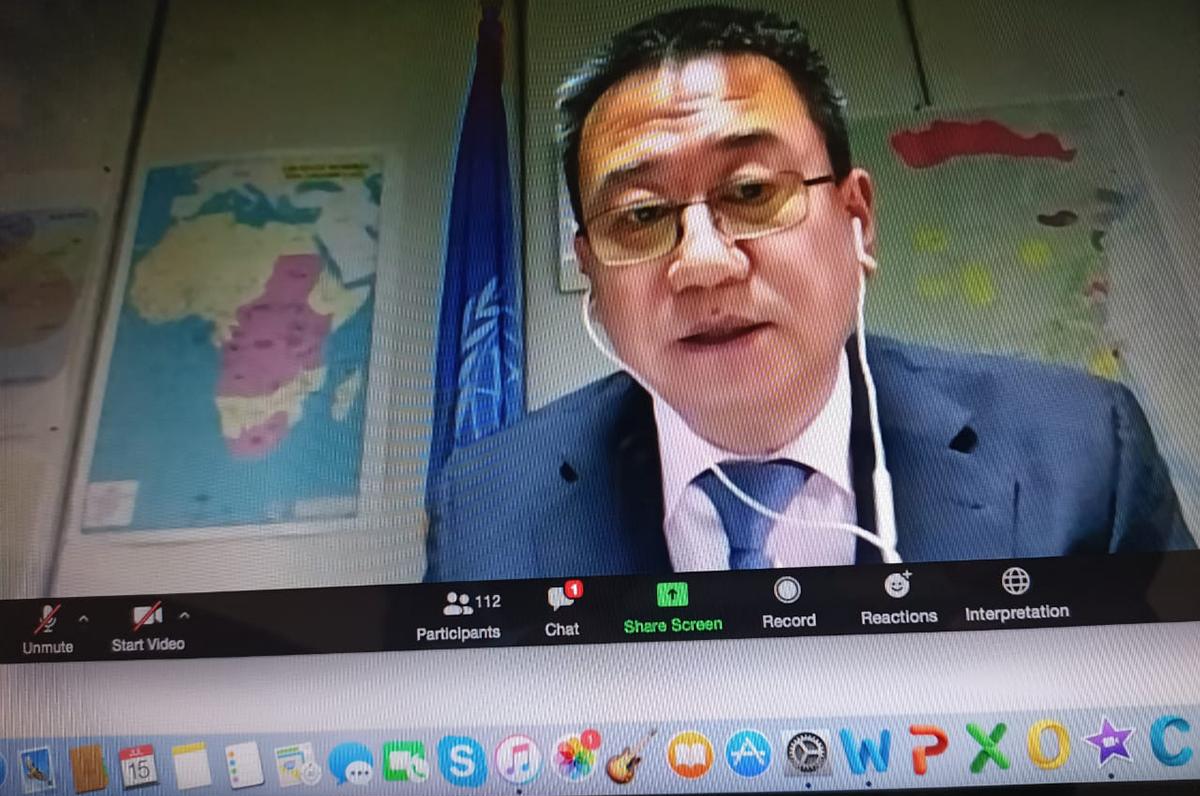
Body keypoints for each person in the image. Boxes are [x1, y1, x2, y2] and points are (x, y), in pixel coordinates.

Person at [425, 5, 1193, 582]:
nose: (703, 264)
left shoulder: (1084, 451)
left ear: (857, 219)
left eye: (751, 191)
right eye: (643, 216)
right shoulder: (484, 508)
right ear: (591, 270)